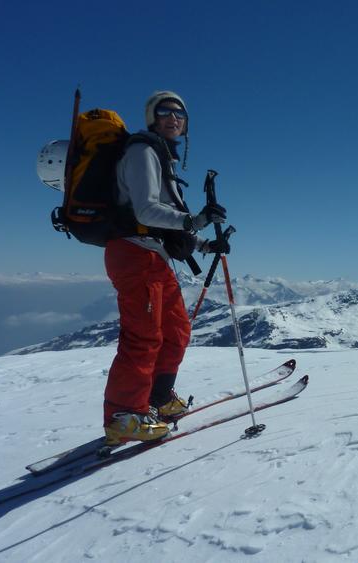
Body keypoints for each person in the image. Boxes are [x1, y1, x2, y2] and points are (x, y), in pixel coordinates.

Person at [102, 90, 230, 446]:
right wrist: (196, 220)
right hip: (133, 255)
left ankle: (157, 398)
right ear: (151, 117)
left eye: (180, 114)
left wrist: (205, 244)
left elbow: (164, 223)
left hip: (153, 256)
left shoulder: (163, 158)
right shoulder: (142, 151)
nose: (173, 118)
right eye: (164, 111)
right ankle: (124, 416)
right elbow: (145, 211)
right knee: (142, 338)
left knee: (176, 331)